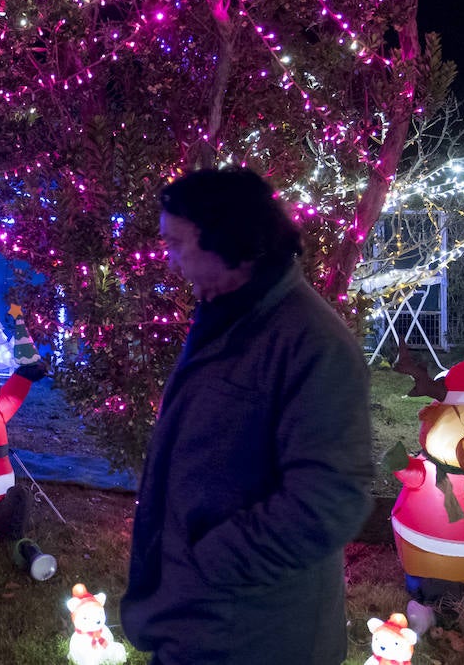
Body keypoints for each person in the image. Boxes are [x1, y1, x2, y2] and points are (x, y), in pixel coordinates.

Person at [120, 167, 373, 664]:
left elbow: (330, 500)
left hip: (257, 633)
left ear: (229, 242)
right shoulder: (227, 316)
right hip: (199, 624)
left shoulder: (313, 344)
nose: (169, 262)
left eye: (177, 244)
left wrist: (209, 565)